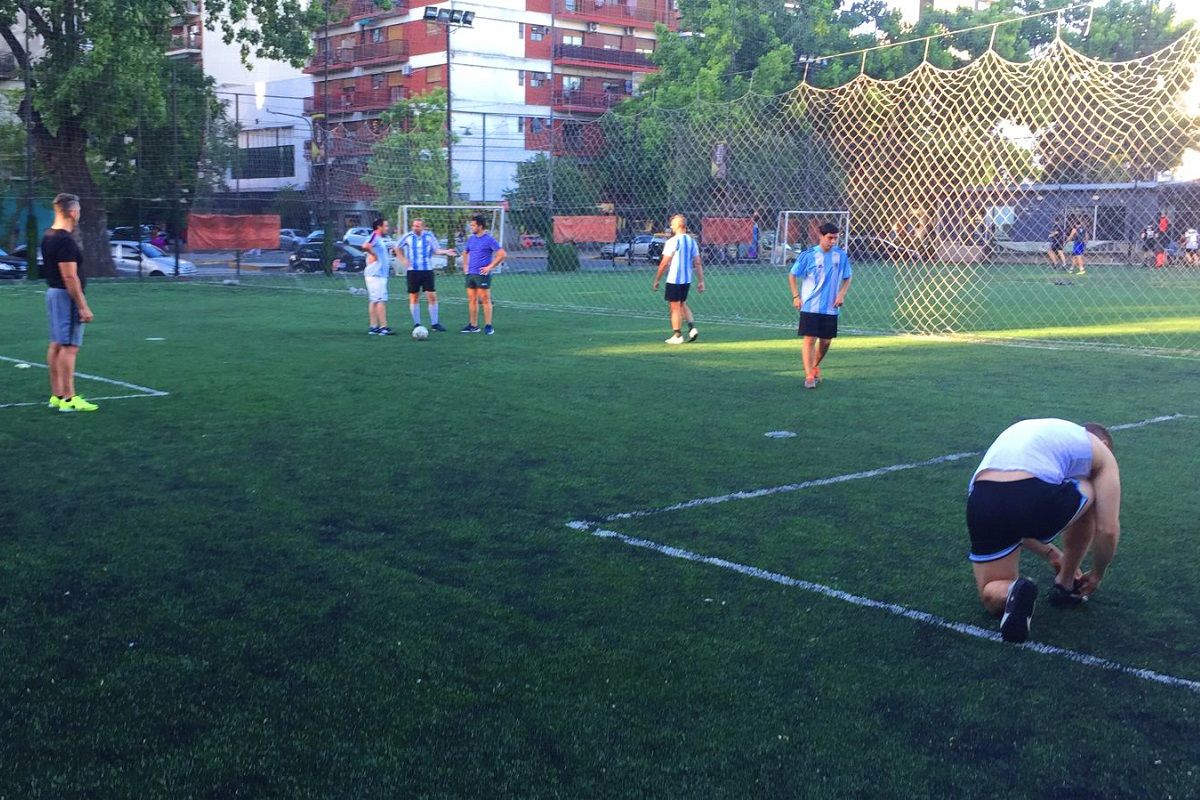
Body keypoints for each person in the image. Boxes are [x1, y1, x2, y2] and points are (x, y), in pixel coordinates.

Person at [966, 418, 1121, 643]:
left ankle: (1012, 591)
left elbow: (1015, 522)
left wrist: (1052, 553)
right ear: (1104, 443)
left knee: (990, 590)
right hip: (1032, 494)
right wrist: (1097, 573)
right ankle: (1066, 585)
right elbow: (1108, 530)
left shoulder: (1050, 434)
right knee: (1092, 491)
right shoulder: (1102, 454)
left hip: (982, 498)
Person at [42, 193, 98, 412]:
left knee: (57, 343)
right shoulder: (64, 240)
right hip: (66, 296)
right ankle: (69, 399)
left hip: (55, 294)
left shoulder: (48, 235)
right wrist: (83, 305)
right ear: (73, 212)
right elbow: (69, 277)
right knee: (69, 347)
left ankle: (57, 395)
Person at [787, 222, 852, 389]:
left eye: (835, 238)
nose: (833, 241)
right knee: (809, 339)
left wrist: (841, 294)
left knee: (826, 342)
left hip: (831, 307)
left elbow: (848, 276)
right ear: (821, 236)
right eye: (830, 238)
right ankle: (809, 375)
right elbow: (793, 275)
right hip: (810, 306)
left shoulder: (841, 256)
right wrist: (796, 296)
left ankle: (814, 365)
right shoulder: (808, 255)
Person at [652, 214, 705, 344]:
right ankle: (692, 329)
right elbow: (697, 262)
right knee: (682, 303)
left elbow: (664, 262)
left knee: (674, 307)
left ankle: (677, 335)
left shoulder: (672, 242)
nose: (671, 227)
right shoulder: (692, 241)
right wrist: (701, 281)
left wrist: (657, 279)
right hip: (686, 279)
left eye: (672, 224)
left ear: (677, 226)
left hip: (674, 279)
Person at [396, 218, 452, 332]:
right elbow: (397, 247)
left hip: (427, 270)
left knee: (431, 296)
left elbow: (436, 250)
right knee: (414, 296)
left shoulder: (429, 236)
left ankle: (435, 324)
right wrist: (403, 259)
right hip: (413, 271)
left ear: (423, 227)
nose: (415, 228)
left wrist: (446, 252)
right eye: (414, 226)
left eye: (417, 226)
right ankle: (417, 324)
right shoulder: (408, 236)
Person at [460, 214, 505, 335]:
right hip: (471, 274)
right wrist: (465, 266)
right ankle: (473, 326)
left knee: (485, 299)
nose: (471, 227)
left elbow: (502, 254)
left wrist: (490, 267)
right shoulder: (471, 239)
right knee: (472, 299)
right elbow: (465, 253)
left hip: (482, 274)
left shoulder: (489, 239)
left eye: (473, 225)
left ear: (480, 226)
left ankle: (488, 326)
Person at [362, 217, 395, 335]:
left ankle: (373, 327)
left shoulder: (379, 238)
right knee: (380, 300)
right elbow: (365, 245)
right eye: (385, 226)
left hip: (377, 274)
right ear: (379, 227)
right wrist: (374, 255)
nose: (387, 228)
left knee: (374, 300)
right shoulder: (374, 236)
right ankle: (383, 327)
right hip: (376, 274)